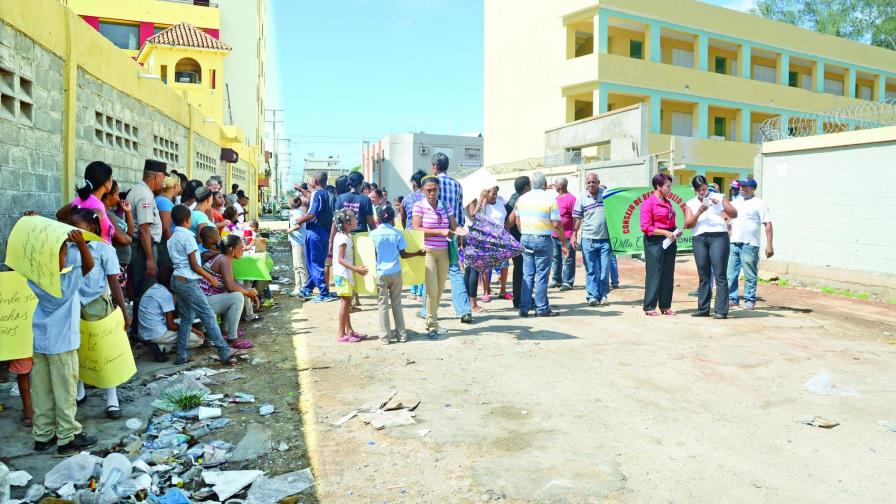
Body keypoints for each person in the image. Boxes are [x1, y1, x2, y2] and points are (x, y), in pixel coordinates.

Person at [27, 223, 97, 455]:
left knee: (41, 391)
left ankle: (43, 434)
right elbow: (89, 265)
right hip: (63, 345)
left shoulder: (35, 278)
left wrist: (34, 226)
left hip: (41, 343)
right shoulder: (65, 283)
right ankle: (67, 436)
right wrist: (80, 243)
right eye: (63, 255)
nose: (66, 259)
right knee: (65, 392)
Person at [69, 209, 129, 419]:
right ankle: (79, 390)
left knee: (103, 349)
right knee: (78, 347)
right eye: (71, 226)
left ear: (92, 229)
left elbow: (114, 281)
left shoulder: (104, 250)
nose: (74, 232)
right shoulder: (67, 248)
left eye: (79, 228)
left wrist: (123, 310)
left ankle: (111, 397)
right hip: (73, 302)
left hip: (96, 302)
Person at [167, 204, 246, 365]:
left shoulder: (171, 239)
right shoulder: (188, 237)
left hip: (177, 280)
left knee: (187, 318)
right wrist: (210, 278)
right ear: (188, 220)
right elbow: (194, 265)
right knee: (208, 315)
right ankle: (224, 351)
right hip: (188, 281)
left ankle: (181, 356)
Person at [513, 172, 567, 317]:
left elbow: (517, 221)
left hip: (525, 238)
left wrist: (525, 232)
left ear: (531, 184)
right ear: (544, 184)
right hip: (543, 239)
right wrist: (564, 243)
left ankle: (524, 308)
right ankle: (542, 308)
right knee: (542, 276)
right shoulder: (550, 199)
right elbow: (556, 224)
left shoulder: (521, 199)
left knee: (528, 274)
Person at [685, 175, 738, 319]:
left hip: (718, 237)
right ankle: (703, 309)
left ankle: (721, 310)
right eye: (699, 190)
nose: (702, 192)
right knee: (703, 275)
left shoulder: (719, 196)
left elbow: (734, 213)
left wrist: (720, 204)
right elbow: (688, 224)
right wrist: (699, 212)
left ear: (707, 186)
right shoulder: (690, 203)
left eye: (704, 189)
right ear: (694, 190)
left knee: (719, 274)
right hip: (699, 239)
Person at [414, 175, 460, 339]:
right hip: (428, 252)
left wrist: (463, 232)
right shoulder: (419, 206)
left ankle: (431, 319)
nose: (432, 193)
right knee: (432, 290)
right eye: (429, 190)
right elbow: (416, 229)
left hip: (444, 253)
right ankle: (432, 325)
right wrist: (439, 232)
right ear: (422, 191)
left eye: (435, 190)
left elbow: (454, 226)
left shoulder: (446, 206)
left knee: (440, 290)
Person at [371, 206, 423, 344]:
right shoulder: (397, 233)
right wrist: (418, 253)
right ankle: (402, 335)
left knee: (382, 305)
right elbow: (404, 254)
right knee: (397, 304)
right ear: (393, 218)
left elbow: (371, 255)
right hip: (395, 272)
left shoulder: (373, 234)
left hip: (380, 272)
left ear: (378, 218)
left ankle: (385, 337)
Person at [431, 153, 473, 324]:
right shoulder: (457, 185)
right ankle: (464, 309)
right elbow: (460, 209)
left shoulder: (432, 185)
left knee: (431, 271)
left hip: (435, 234)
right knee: (455, 271)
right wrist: (460, 234)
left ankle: (428, 310)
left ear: (435, 166)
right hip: (453, 233)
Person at [126, 159, 167, 335]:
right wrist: (150, 259)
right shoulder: (144, 195)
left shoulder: (138, 190)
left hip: (141, 248)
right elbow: (144, 229)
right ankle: (142, 334)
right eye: (163, 177)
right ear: (157, 176)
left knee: (139, 291)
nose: (163, 182)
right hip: (143, 249)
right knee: (145, 291)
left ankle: (138, 332)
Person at [200, 235, 260, 348]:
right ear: (231, 249)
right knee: (237, 296)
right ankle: (233, 339)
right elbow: (231, 287)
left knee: (238, 292)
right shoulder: (224, 260)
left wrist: (248, 290)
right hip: (203, 303)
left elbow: (232, 283)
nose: (243, 250)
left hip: (206, 300)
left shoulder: (223, 258)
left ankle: (226, 331)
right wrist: (247, 292)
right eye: (241, 248)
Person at [727, 178, 773, 310]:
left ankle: (749, 300)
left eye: (745, 187)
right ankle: (732, 299)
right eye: (741, 186)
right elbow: (728, 220)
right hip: (733, 243)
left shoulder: (760, 203)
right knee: (731, 274)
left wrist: (769, 245)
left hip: (750, 244)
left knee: (750, 274)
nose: (741, 188)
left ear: (753, 189)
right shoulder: (735, 202)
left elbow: (768, 224)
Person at [137, 272, 205, 362]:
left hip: (144, 332)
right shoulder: (166, 295)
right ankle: (162, 348)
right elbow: (171, 325)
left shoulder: (152, 289)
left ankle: (160, 345)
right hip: (157, 334)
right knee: (199, 340)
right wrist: (193, 329)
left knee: (182, 322)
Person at [641, 173, 681, 316]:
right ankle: (650, 306)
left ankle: (665, 305)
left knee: (668, 273)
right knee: (654, 272)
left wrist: (675, 231)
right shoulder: (648, 203)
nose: (670, 189)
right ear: (658, 186)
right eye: (667, 186)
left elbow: (669, 221)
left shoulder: (667, 202)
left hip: (669, 240)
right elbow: (646, 227)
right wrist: (665, 232)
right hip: (655, 241)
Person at [296, 172, 335, 302]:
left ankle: (324, 292)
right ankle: (307, 288)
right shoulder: (329, 194)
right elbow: (313, 199)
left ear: (316, 181)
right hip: (326, 232)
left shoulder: (317, 194)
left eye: (311, 179)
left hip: (315, 232)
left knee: (314, 263)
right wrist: (301, 190)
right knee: (316, 262)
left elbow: (312, 213)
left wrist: (299, 220)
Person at [574, 173, 612, 307]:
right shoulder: (581, 198)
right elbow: (578, 218)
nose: (591, 185)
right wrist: (574, 235)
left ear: (598, 182)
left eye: (593, 182)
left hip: (605, 240)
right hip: (588, 240)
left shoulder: (606, 195)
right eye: (588, 182)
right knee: (591, 269)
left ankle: (603, 295)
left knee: (604, 270)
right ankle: (592, 296)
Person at [56, 161, 117, 243]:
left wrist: (72, 227)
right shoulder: (97, 205)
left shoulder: (80, 199)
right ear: (106, 182)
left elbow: (59, 215)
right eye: (111, 177)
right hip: (96, 254)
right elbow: (87, 228)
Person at [332, 209, 369, 342]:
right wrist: (356, 269)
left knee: (346, 304)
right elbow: (340, 259)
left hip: (344, 275)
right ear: (348, 223)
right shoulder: (343, 238)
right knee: (345, 304)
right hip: (343, 275)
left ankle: (349, 330)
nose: (356, 220)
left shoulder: (344, 236)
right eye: (354, 218)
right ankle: (341, 333)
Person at [480, 186, 511, 301]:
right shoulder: (484, 205)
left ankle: (503, 290)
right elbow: (479, 217)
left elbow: (506, 220)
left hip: (502, 238)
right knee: (487, 266)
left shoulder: (500, 202)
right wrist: (482, 201)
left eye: (495, 193)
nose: (494, 195)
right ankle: (486, 291)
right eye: (492, 193)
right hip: (488, 239)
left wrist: (508, 236)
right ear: (486, 193)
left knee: (504, 265)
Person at [102, 181, 134, 292]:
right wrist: (128, 239)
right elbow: (124, 239)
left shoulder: (112, 214)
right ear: (109, 197)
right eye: (117, 195)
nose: (118, 198)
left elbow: (129, 234)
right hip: (115, 264)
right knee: (115, 296)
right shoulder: (105, 214)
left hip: (120, 264)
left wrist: (128, 212)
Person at [401, 170, 427, 301]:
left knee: (412, 262)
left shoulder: (407, 198)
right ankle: (422, 292)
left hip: (410, 232)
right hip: (424, 232)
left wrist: (406, 228)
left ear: (414, 183)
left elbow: (403, 217)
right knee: (423, 261)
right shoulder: (426, 198)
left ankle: (413, 291)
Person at [505, 176, 530, 309]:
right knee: (521, 270)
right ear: (526, 188)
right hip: (518, 240)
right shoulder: (517, 200)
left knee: (522, 270)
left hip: (516, 240)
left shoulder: (513, 197)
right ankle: (519, 299)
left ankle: (521, 297)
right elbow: (509, 222)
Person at [550, 177, 577, 291]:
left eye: (555, 184)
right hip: (555, 234)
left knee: (568, 259)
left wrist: (574, 234)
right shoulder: (555, 199)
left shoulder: (571, 199)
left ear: (561, 186)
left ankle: (567, 282)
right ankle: (557, 280)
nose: (554, 186)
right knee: (556, 258)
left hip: (567, 235)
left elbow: (576, 217)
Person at [287, 195, 309, 297]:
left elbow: (298, 225)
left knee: (300, 266)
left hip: (299, 242)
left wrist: (289, 230)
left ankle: (304, 288)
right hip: (296, 241)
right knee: (297, 266)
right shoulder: (297, 212)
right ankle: (298, 287)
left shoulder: (297, 213)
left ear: (292, 204)